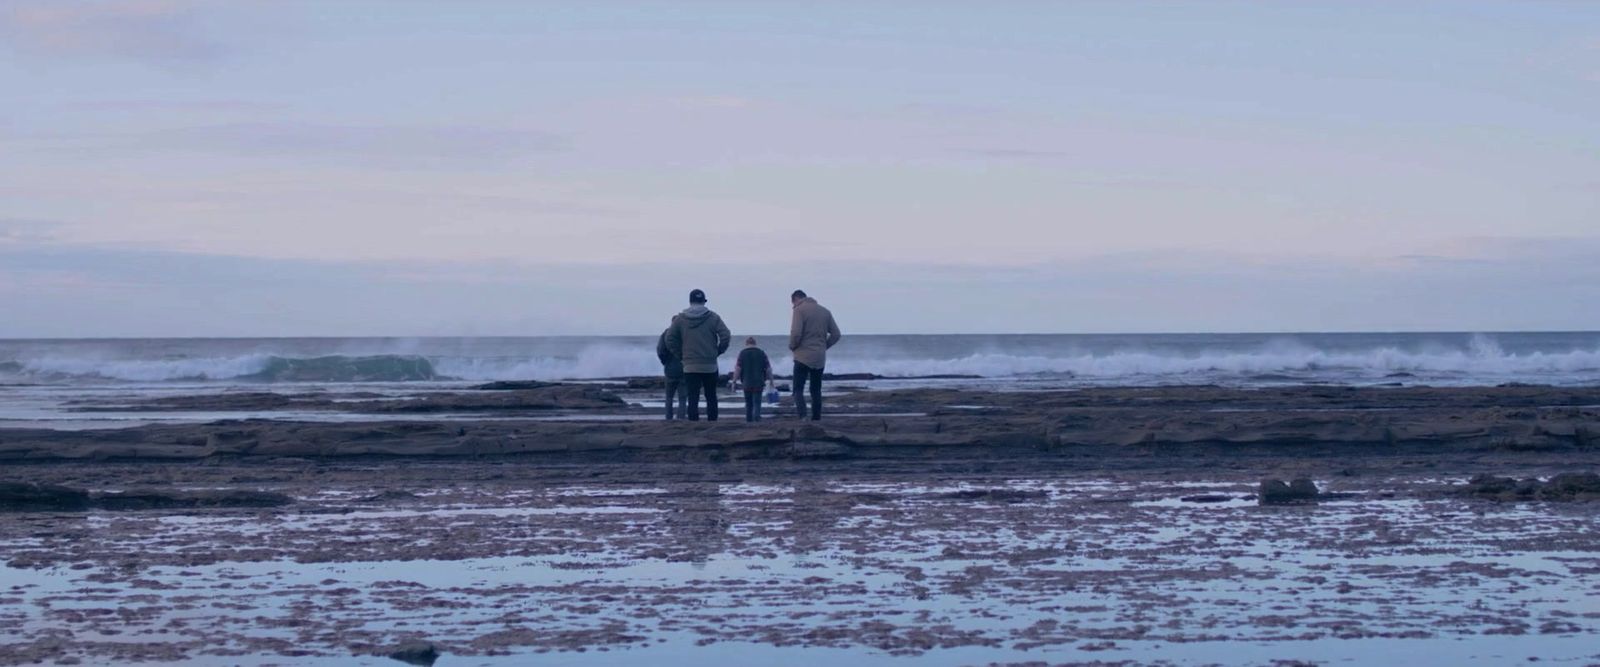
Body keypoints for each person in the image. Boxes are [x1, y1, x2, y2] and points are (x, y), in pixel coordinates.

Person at [665, 288, 731, 421]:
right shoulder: (713, 317)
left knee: (693, 397)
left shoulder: (680, 319)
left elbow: (669, 338)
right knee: (711, 396)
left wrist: (680, 355)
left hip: (689, 365)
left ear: (690, 301)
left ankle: (693, 425)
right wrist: (718, 351)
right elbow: (726, 335)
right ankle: (712, 424)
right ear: (703, 301)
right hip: (710, 364)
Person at [788, 289, 841, 421]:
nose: (793, 306)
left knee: (798, 389)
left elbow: (796, 333)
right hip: (819, 357)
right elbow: (836, 335)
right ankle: (816, 418)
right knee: (816, 390)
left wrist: (792, 346)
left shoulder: (799, 310)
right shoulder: (825, 311)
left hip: (802, 357)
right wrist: (824, 347)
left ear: (796, 299)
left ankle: (803, 416)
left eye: (792, 303)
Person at [731, 337, 773, 422]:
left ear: (746, 344)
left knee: (748, 404)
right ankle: (757, 420)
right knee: (757, 403)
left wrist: (734, 381)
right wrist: (771, 380)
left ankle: (749, 421)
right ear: (755, 343)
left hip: (746, 383)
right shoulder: (761, 353)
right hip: (759, 382)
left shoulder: (742, 353)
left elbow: (738, 369)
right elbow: (768, 369)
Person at [656, 317, 689, 420]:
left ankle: (668, 418)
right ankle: (681, 418)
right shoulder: (686, 335)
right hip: (684, 369)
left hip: (670, 369)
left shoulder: (666, 334)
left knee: (669, 397)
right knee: (683, 398)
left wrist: (665, 362)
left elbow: (660, 350)